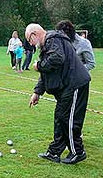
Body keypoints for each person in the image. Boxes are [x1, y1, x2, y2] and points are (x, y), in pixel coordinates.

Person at [26, 23, 91, 164]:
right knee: (60, 117)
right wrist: (37, 92)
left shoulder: (53, 40)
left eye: (29, 40)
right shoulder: (49, 44)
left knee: (68, 119)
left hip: (75, 84)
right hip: (66, 87)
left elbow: (57, 59)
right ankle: (54, 152)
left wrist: (39, 66)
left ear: (34, 34)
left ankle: (77, 152)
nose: (31, 44)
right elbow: (47, 72)